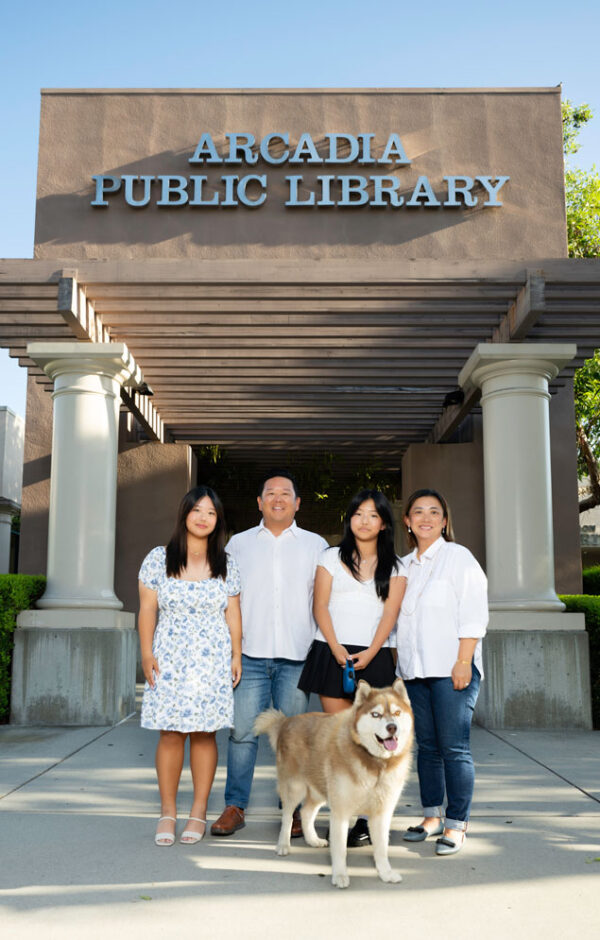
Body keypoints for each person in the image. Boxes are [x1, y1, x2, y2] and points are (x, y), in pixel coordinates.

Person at [211, 471, 328, 837]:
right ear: (259, 502)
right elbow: (226, 601)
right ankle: (235, 806)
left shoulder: (316, 545)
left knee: (295, 738)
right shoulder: (239, 545)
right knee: (242, 734)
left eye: (286, 493)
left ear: (297, 503)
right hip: (250, 656)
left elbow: (325, 601)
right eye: (270, 493)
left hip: (297, 656)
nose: (278, 498)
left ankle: (292, 811)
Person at [298, 488, 406, 846]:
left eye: (373, 515)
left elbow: (390, 614)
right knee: (340, 741)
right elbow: (321, 606)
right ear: (349, 519)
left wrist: (372, 652)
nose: (364, 520)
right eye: (358, 513)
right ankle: (339, 814)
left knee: (373, 743)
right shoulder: (330, 557)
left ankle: (364, 819)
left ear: (384, 523)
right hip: (332, 655)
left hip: (374, 657)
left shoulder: (398, 566)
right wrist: (336, 647)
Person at [138, 485, 242, 847]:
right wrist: (146, 654)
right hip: (169, 658)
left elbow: (234, 616)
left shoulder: (227, 563)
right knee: (170, 734)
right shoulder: (158, 558)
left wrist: (235, 655)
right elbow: (148, 609)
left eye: (211, 512)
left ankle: (198, 812)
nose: (203, 517)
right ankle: (168, 812)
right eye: (197, 510)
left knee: (204, 734)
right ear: (185, 514)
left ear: (218, 521)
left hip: (211, 661)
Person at [396, 488, 488, 856]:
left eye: (434, 512)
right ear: (407, 521)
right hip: (415, 672)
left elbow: (474, 614)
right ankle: (431, 816)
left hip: (452, 669)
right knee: (428, 747)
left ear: (445, 520)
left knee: (454, 747)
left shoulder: (458, 558)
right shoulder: (402, 566)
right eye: (418, 512)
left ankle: (456, 823)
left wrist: (464, 660)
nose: (426, 518)